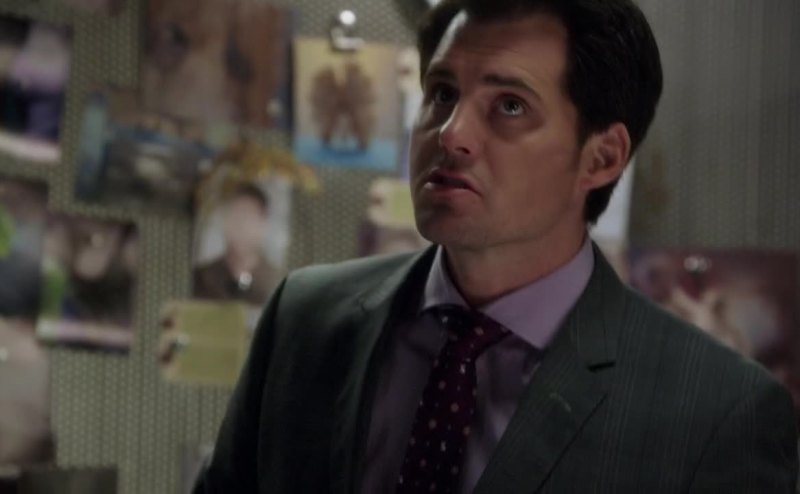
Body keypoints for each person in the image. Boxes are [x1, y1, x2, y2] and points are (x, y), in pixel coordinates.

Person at [194, 0, 798, 492]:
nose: (452, 134)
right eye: (442, 93)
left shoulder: (719, 412)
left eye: (510, 106)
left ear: (602, 157)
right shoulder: (305, 320)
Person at [193, 183, 281, 306]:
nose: (241, 225)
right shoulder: (200, 279)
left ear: (263, 223)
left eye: (248, 217)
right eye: (235, 215)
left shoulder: (279, 283)